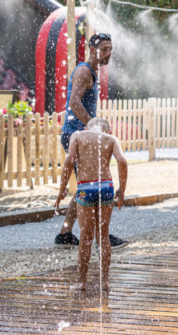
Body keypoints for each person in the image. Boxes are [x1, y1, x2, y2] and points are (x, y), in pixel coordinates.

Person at [54, 33, 128, 249]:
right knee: (94, 183)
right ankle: (101, 237)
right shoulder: (85, 71)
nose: (108, 53)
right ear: (92, 49)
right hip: (77, 136)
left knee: (87, 184)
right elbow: (74, 102)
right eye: (104, 49)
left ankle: (65, 233)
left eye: (110, 48)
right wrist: (93, 128)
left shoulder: (90, 71)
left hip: (78, 134)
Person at [54, 118, 128, 292]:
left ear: (87, 127)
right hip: (106, 187)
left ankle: (82, 282)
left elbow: (69, 161)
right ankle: (105, 282)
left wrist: (62, 190)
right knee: (103, 236)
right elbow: (122, 161)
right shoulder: (111, 139)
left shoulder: (78, 135)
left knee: (86, 237)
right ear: (107, 130)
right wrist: (121, 190)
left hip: (85, 187)